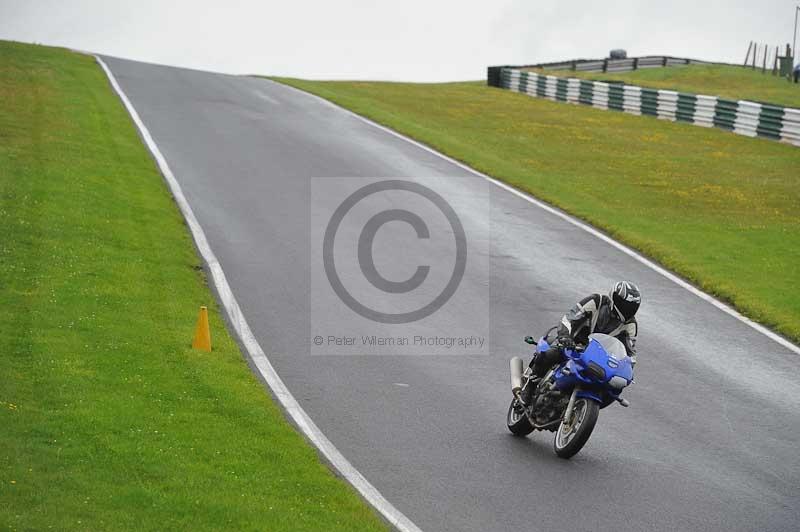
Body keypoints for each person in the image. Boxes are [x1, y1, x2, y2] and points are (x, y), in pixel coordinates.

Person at [530, 281, 641, 379]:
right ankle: (530, 386)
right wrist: (565, 336)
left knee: (613, 387)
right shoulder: (596, 301)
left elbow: (630, 353)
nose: (628, 309)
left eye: (632, 306)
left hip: (599, 359)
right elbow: (569, 319)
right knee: (549, 355)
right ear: (614, 299)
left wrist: (628, 369)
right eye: (625, 305)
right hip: (572, 345)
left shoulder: (630, 324)